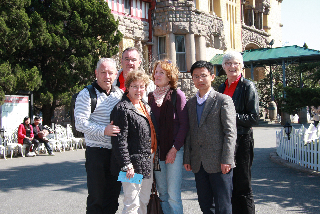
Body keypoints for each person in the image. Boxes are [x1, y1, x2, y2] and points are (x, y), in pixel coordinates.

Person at [183, 60, 237, 214]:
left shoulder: (223, 100)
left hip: (220, 162)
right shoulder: (190, 104)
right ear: (192, 79)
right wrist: (187, 158)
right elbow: (189, 133)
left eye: (203, 76)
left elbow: (230, 132)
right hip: (198, 162)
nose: (200, 80)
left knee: (223, 205)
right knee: (205, 205)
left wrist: (227, 159)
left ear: (212, 77)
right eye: (196, 76)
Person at [74, 58, 123, 214]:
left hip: (115, 153)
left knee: (113, 197)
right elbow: (80, 123)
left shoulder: (119, 93)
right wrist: (104, 130)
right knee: (96, 198)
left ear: (116, 74)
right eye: (103, 72)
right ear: (96, 73)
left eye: (110, 73)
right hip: (97, 151)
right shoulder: (86, 94)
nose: (106, 76)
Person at [218, 51, 259, 214]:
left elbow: (253, 117)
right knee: (229, 184)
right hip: (227, 141)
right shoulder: (222, 86)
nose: (231, 66)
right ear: (223, 67)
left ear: (241, 66)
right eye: (228, 63)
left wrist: (230, 116)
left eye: (235, 63)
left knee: (243, 185)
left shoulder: (247, 86)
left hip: (242, 140)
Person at [111, 71, 157, 214]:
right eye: (134, 86)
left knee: (143, 201)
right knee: (132, 204)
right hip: (131, 165)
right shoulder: (122, 108)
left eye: (142, 86)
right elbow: (119, 140)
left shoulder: (145, 106)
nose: (139, 90)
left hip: (146, 161)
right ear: (127, 87)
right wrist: (126, 165)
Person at [148, 59, 189, 214]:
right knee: (163, 193)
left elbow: (184, 125)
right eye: (156, 72)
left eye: (162, 73)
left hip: (174, 151)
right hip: (157, 153)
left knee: (173, 195)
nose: (157, 75)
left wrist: (174, 149)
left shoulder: (177, 95)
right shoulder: (150, 97)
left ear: (170, 76)